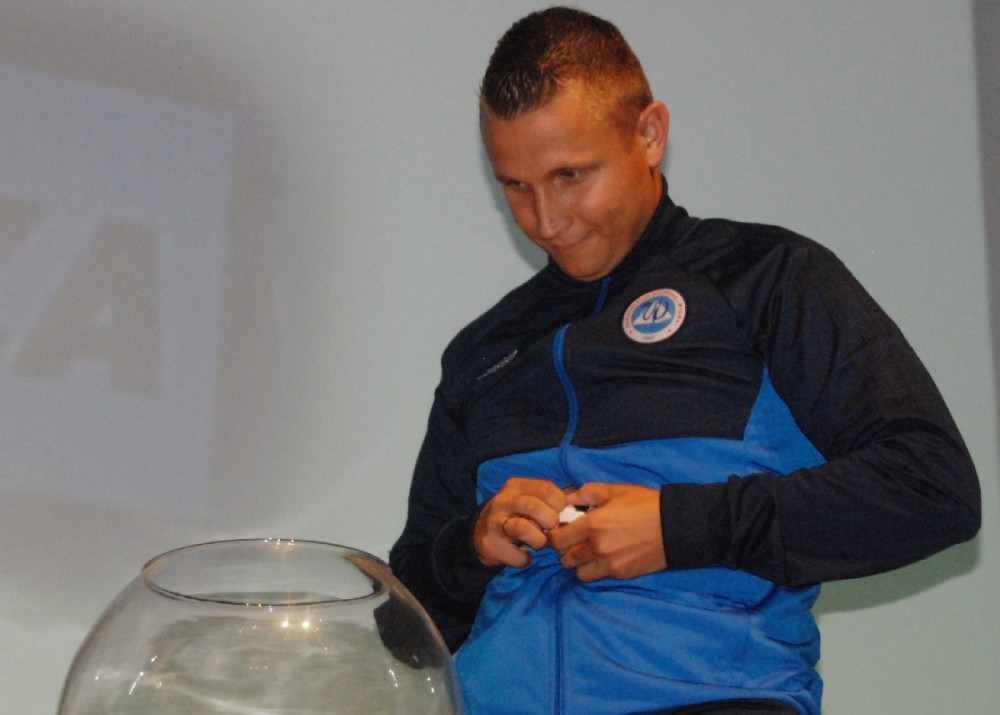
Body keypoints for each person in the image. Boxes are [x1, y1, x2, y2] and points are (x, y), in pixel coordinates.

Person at [389, 7, 981, 715]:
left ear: (648, 135)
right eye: (515, 185)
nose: (546, 220)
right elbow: (405, 631)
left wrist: (677, 527)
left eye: (571, 174)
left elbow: (932, 486)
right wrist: (472, 547)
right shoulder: (484, 351)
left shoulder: (766, 278)